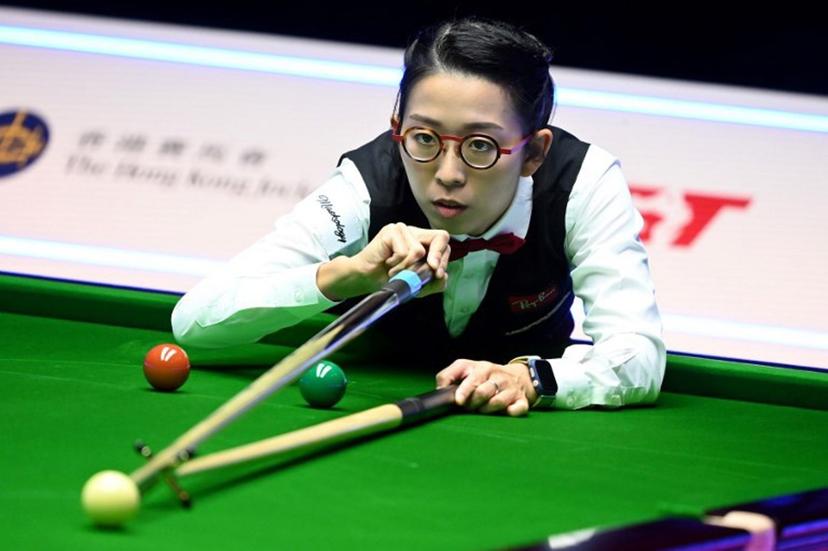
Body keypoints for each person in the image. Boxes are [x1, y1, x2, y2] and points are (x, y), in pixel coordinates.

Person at [171, 16, 666, 416]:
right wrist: (349, 275)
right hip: (372, 391)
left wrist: (532, 377)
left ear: (533, 152)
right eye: (425, 138)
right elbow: (195, 322)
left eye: (481, 145)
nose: (447, 174)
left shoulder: (582, 183)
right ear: (397, 129)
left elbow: (637, 353)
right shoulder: (366, 186)